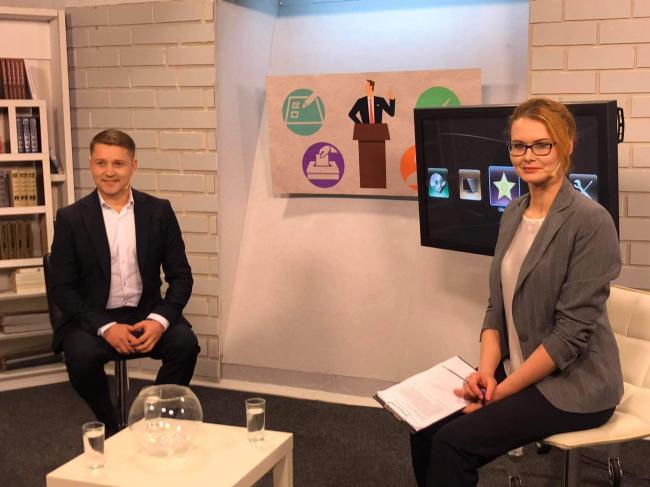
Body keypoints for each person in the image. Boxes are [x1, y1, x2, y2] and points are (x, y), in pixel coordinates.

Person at [410, 98, 623, 486]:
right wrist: (485, 373)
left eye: (542, 144)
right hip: (514, 369)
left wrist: (497, 395)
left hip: (574, 385)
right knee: (425, 428)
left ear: (566, 145)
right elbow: (497, 306)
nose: (528, 156)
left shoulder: (591, 222)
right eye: (519, 146)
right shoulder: (512, 213)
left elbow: (568, 337)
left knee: (453, 444)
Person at [48, 129, 200, 436]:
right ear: (91, 164)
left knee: (185, 346)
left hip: (146, 312)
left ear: (133, 166)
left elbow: (181, 276)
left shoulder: (159, 211)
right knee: (80, 358)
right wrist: (106, 327)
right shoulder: (70, 218)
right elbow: (62, 288)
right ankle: (113, 424)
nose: (109, 172)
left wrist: (158, 321)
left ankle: (151, 418)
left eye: (118, 163)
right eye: (101, 163)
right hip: (93, 316)